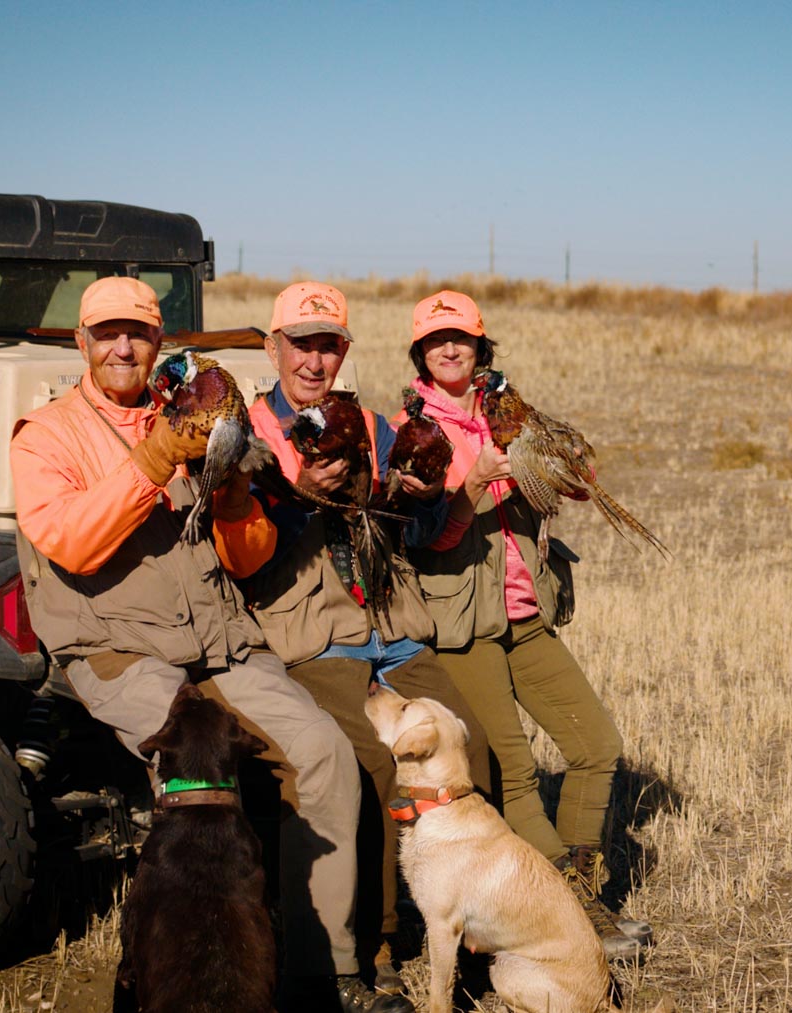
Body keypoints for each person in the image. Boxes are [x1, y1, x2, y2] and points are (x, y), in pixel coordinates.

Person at [9, 277, 406, 1013]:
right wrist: (159, 455)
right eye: (107, 334)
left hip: (219, 645)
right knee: (199, 788)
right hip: (120, 651)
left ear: (160, 344)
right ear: (81, 343)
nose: (123, 347)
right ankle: (174, 978)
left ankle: (322, 972)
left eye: (138, 334)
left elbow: (248, 558)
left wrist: (230, 498)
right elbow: (72, 541)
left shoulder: (194, 416)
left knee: (324, 753)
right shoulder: (49, 435)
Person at [239, 280, 491, 999]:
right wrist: (302, 493)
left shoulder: (376, 427)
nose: (315, 361)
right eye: (301, 344)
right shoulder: (253, 434)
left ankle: (464, 919)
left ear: (344, 351)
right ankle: (375, 938)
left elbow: (416, 523)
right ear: (273, 347)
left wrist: (421, 495)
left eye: (329, 345)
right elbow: (241, 548)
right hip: (313, 635)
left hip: (393, 630)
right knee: (378, 764)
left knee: (475, 746)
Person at [397, 289, 652, 963]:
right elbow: (424, 541)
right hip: (462, 621)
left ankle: (576, 887)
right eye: (436, 340)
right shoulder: (414, 428)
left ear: (483, 348)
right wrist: (476, 481)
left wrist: (569, 477)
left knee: (597, 744)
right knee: (513, 767)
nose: (450, 349)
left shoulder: (510, 413)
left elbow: (557, 486)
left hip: (524, 611)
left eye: (463, 338)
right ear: (420, 352)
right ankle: (570, 913)